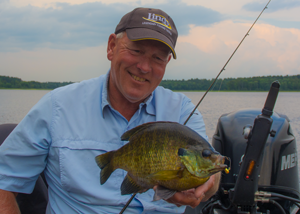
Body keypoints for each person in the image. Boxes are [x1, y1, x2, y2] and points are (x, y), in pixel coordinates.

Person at [0, 7, 221, 214]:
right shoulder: (58, 107)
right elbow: (3, 181)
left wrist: (207, 184)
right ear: (111, 47)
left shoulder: (182, 111)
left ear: (167, 62)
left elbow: (211, 174)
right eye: (136, 50)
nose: (144, 67)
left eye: (157, 58)